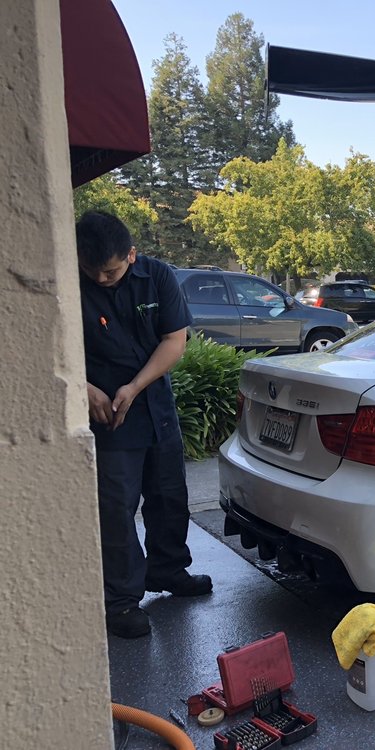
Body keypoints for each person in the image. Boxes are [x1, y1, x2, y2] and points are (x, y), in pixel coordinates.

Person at [77, 210, 212, 639]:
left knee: (169, 495)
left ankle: (168, 570)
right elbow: (49, 347)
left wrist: (135, 386)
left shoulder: (158, 276)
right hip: (108, 417)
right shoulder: (71, 285)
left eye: (111, 271)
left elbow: (174, 340)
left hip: (154, 403)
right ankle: (120, 601)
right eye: (92, 271)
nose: (101, 279)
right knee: (117, 508)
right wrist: (83, 388)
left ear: (131, 255)